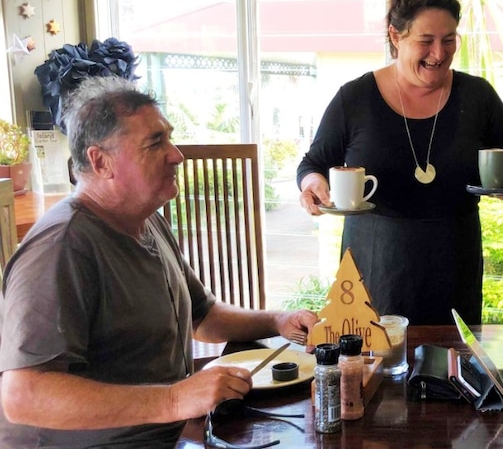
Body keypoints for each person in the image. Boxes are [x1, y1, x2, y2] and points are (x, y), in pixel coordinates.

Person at [0, 76, 319, 448]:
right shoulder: (62, 247)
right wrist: (175, 400)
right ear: (100, 161)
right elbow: (23, 396)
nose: (176, 155)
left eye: (168, 137)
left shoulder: (147, 219)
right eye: (155, 143)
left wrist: (277, 320)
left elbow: (204, 318)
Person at [297, 0, 503, 326]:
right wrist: (312, 184)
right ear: (396, 35)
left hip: (454, 262)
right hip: (374, 264)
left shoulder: (478, 96)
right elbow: (313, 163)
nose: (439, 54)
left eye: (449, 40)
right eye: (426, 41)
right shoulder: (356, 98)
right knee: (372, 368)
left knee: (451, 370)